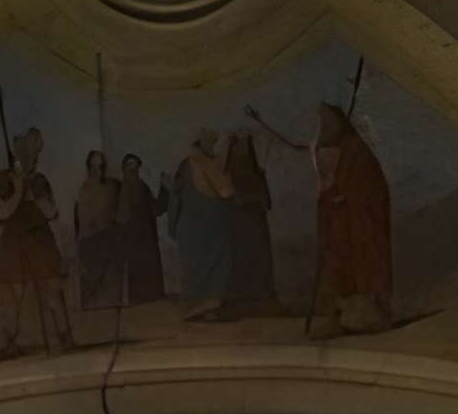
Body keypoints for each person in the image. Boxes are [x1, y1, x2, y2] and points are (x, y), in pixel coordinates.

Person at [253, 100, 393, 336]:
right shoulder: (338, 148)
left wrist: (340, 195)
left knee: (362, 262)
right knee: (338, 263)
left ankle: (366, 311)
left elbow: (366, 189)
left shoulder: (357, 150)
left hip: (358, 225)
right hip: (339, 223)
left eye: (326, 119)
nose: (322, 125)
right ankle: (344, 309)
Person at [0, 124, 71, 356]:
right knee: (15, 294)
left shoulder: (39, 180)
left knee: (53, 290)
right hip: (14, 242)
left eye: (33, 154)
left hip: (39, 239)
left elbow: (51, 211)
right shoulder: (4, 180)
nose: (30, 158)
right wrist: (18, 189)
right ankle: (8, 343)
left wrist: (32, 194)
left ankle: (64, 338)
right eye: (24, 152)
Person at [165, 129, 234, 317]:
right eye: (212, 141)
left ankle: (198, 308)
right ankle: (204, 305)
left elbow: (175, 196)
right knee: (215, 259)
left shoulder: (185, 163)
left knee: (194, 267)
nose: (213, 144)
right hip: (205, 226)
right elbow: (226, 191)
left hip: (187, 226)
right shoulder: (204, 162)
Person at [222, 128, 277, 313]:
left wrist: (255, 195)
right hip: (238, 227)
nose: (241, 152)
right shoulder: (228, 176)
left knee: (258, 259)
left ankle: (261, 295)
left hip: (255, 225)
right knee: (240, 260)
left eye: (244, 147)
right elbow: (227, 200)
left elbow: (267, 203)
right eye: (238, 148)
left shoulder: (257, 174)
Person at [73, 148, 124, 312]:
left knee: (111, 280)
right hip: (92, 241)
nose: (98, 171)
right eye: (95, 167)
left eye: (101, 166)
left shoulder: (111, 186)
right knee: (92, 281)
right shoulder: (85, 189)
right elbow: (84, 223)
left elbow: (116, 213)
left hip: (109, 239)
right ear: (89, 167)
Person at [116, 152, 167, 304]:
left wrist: (164, 189)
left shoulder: (142, 186)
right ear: (124, 168)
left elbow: (156, 209)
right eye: (129, 166)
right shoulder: (123, 188)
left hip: (146, 237)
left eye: (135, 166)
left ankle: (150, 297)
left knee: (148, 267)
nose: (133, 169)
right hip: (133, 239)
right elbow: (121, 218)